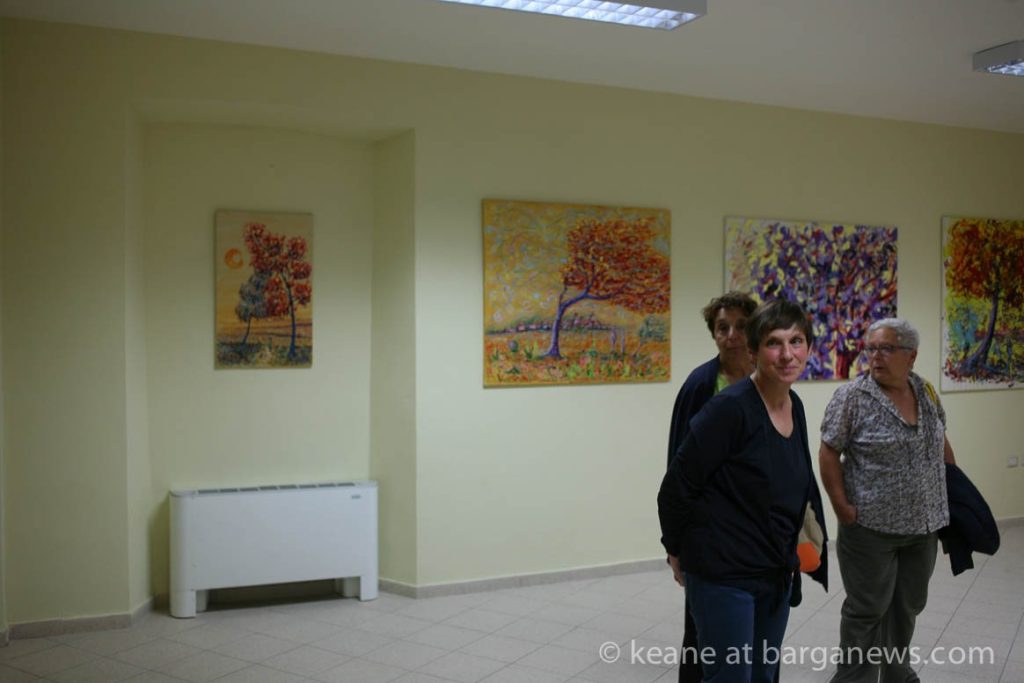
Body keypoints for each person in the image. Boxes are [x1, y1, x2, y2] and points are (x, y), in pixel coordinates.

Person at [659, 299, 829, 683]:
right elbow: (676, 487)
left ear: (809, 348)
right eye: (773, 343)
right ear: (754, 352)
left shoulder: (795, 405)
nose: (787, 354)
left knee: (764, 675)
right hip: (724, 573)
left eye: (796, 341)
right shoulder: (728, 409)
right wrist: (675, 550)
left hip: (774, 570)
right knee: (730, 676)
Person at [819, 318, 955, 683]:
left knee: (907, 606)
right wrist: (841, 506)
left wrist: (952, 490)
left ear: (911, 356)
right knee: (866, 609)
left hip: (922, 528)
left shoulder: (925, 391)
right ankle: (854, 678)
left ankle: (897, 673)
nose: (876, 356)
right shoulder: (852, 397)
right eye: (872, 348)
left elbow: (939, 439)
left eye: (886, 348)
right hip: (870, 529)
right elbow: (829, 452)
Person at [666, 291, 756, 683]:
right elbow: (677, 470)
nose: (732, 335)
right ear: (714, 334)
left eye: (741, 326)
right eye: (722, 327)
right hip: (710, 533)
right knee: (702, 634)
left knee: (756, 637)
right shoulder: (700, 385)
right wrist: (675, 544)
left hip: (758, 534)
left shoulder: (769, 380)